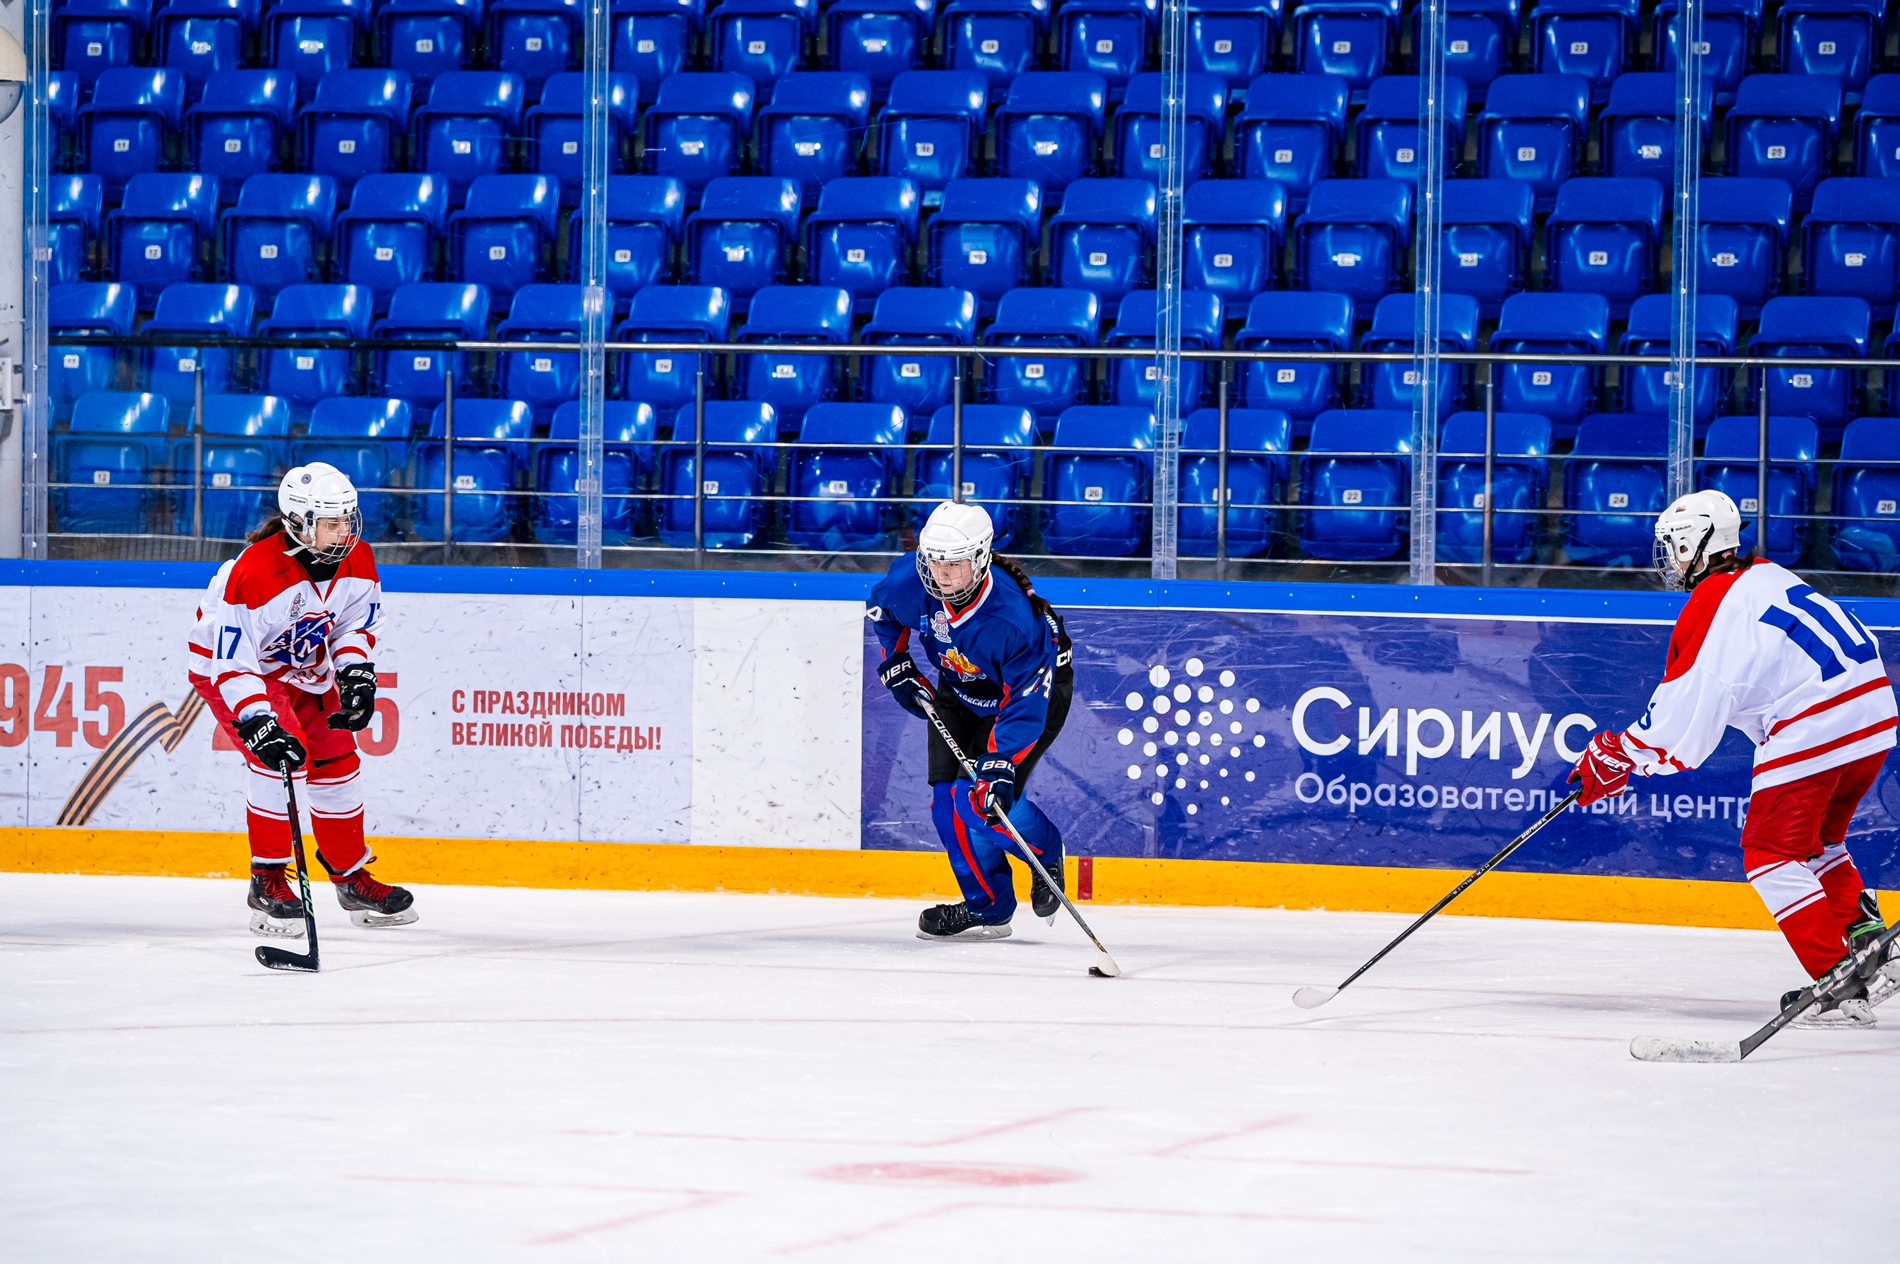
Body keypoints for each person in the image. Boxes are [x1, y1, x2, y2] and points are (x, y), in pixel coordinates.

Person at [1568, 489, 1898, 1026]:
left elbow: (1684, 715)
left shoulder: (1712, 604)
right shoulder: (1765, 574)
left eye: (1673, 546)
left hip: (1819, 719)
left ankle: (1838, 980)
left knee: (1768, 852)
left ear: (1698, 545)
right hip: (1873, 710)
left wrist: (1616, 756)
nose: (1668, 559)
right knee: (1817, 842)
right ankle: (1868, 938)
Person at [187, 463, 417, 936]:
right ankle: (267, 880)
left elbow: (355, 624)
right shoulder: (254, 572)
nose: (344, 531)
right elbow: (233, 660)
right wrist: (256, 719)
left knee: (337, 759)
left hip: (304, 669)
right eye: (331, 522)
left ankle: (351, 876)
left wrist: (356, 675)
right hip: (235, 672)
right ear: (299, 522)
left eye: (348, 519)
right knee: (280, 757)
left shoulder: (359, 559)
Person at [868, 501, 1074, 940]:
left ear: (980, 560)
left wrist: (1000, 762)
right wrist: (895, 661)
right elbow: (883, 612)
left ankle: (1046, 849)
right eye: (934, 562)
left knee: (979, 802)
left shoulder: (1013, 620)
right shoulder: (911, 581)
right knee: (948, 808)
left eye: (954, 565)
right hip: (959, 689)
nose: (941, 575)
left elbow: (1025, 698)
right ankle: (989, 907)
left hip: (1025, 698)